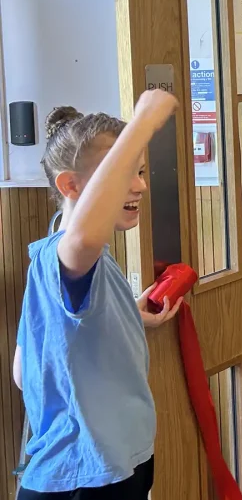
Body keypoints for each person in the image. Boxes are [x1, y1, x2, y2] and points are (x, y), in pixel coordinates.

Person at [12, 94, 184, 500]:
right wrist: (144, 120)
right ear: (70, 185)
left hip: (117, 463)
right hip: (85, 476)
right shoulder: (68, 255)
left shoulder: (66, 261)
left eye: (139, 170)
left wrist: (125, 313)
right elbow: (84, 237)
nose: (140, 184)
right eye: (124, 171)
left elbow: (27, 368)